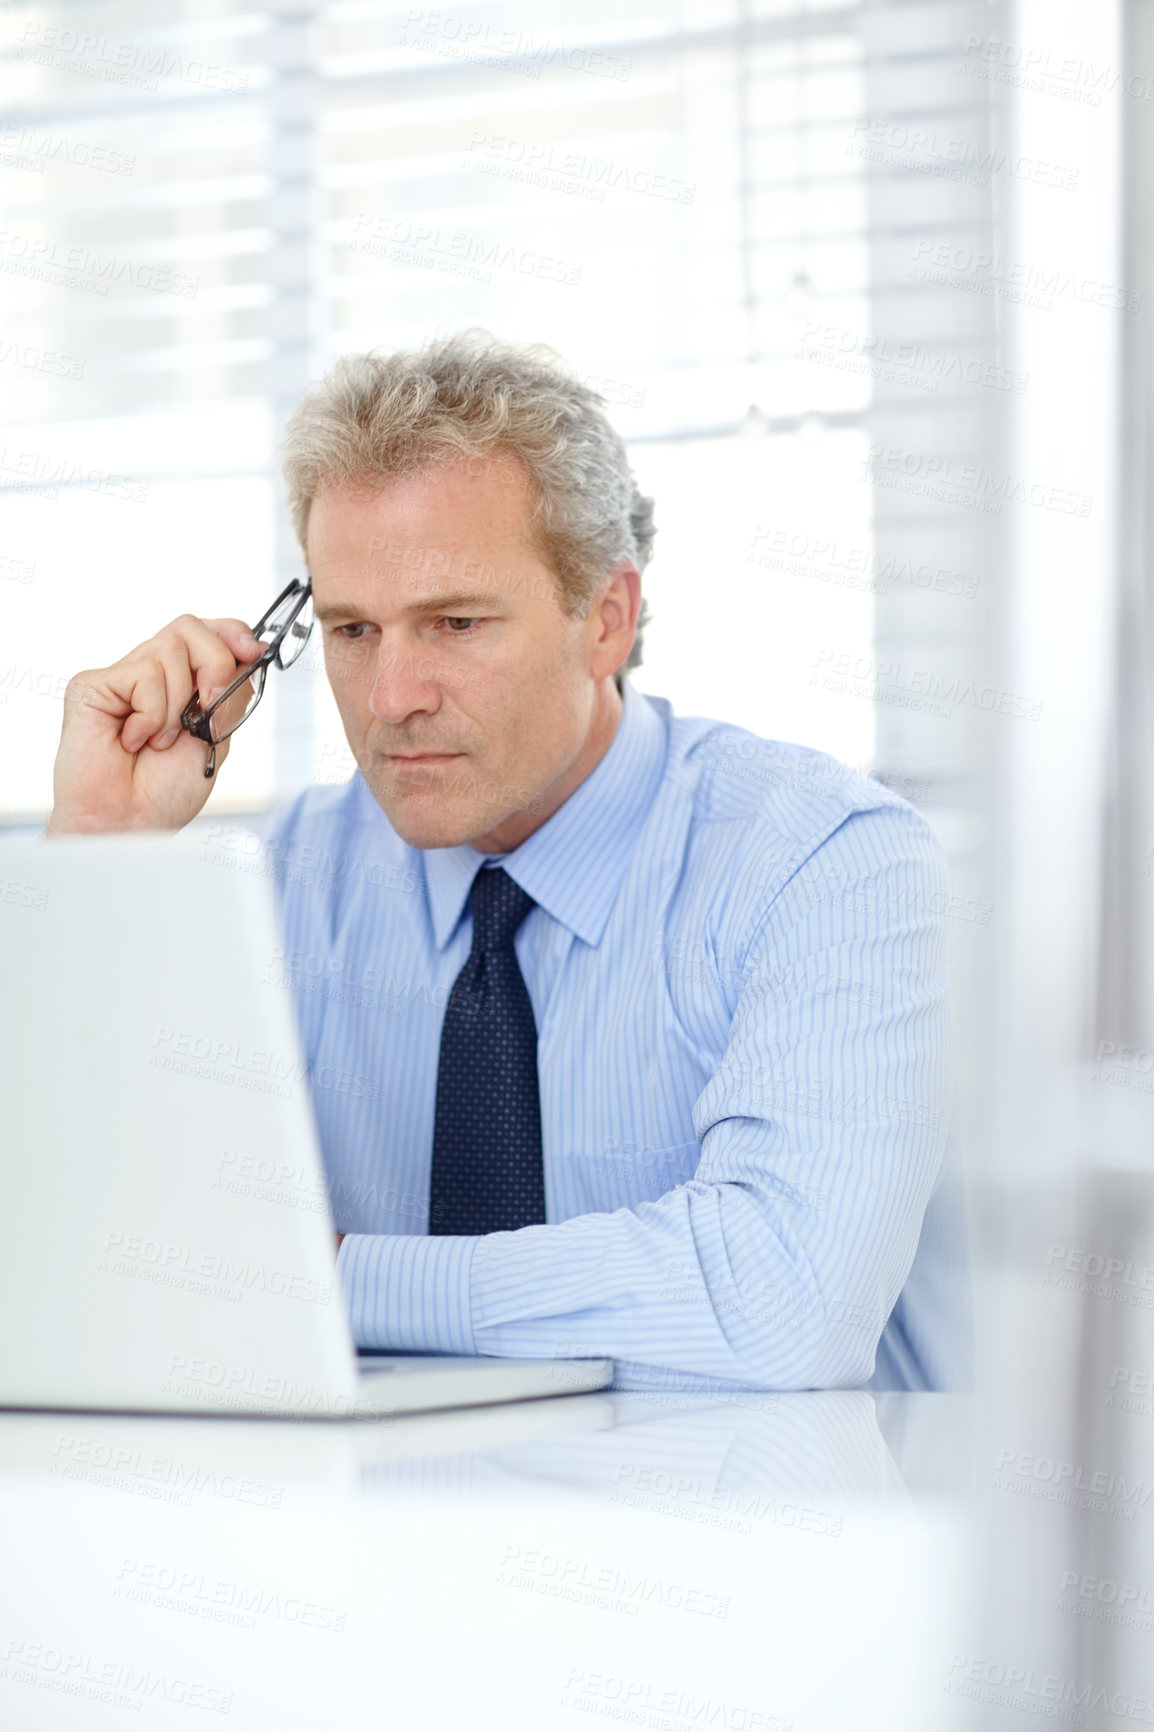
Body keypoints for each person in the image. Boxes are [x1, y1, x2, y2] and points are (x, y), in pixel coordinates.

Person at [47, 331, 961, 1392]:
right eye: (351, 630)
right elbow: (81, 1252)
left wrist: (318, 1280)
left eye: (456, 622)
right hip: (376, 1536)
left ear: (604, 620)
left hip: (771, 1527)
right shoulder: (276, 888)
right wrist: (101, 867)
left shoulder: (822, 866)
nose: (391, 698)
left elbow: (777, 1300)